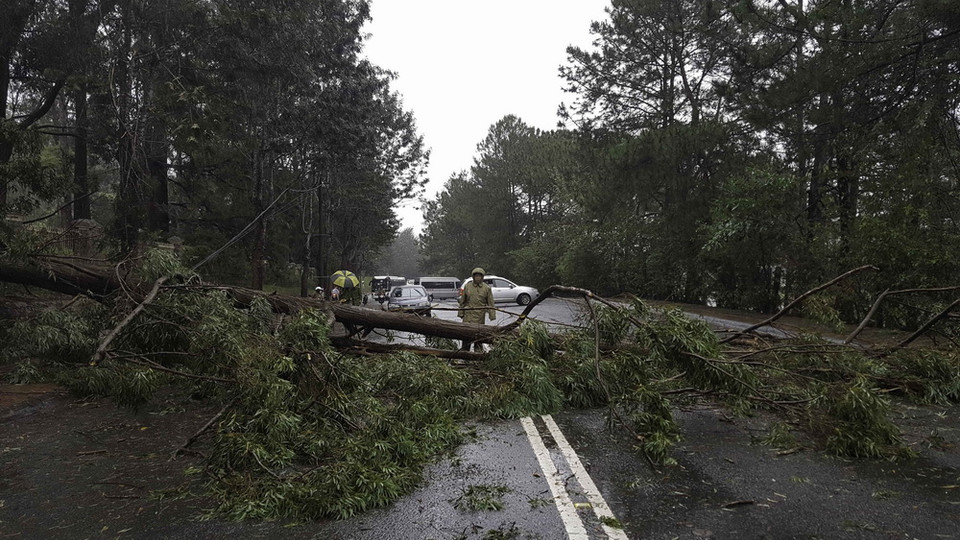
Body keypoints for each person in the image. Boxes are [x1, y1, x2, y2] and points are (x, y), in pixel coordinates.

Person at [458, 267, 495, 351]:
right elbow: (462, 301)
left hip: (479, 316)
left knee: (478, 337)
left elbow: (490, 303)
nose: (477, 277)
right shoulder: (467, 286)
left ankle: (477, 356)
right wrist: (460, 313)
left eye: (479, 276)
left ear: (482, 277)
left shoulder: (487, 288)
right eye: (476, 276)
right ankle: (464, 354)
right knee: (466, 336)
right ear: (473, 277)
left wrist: (492, 315)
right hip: (468, 315)